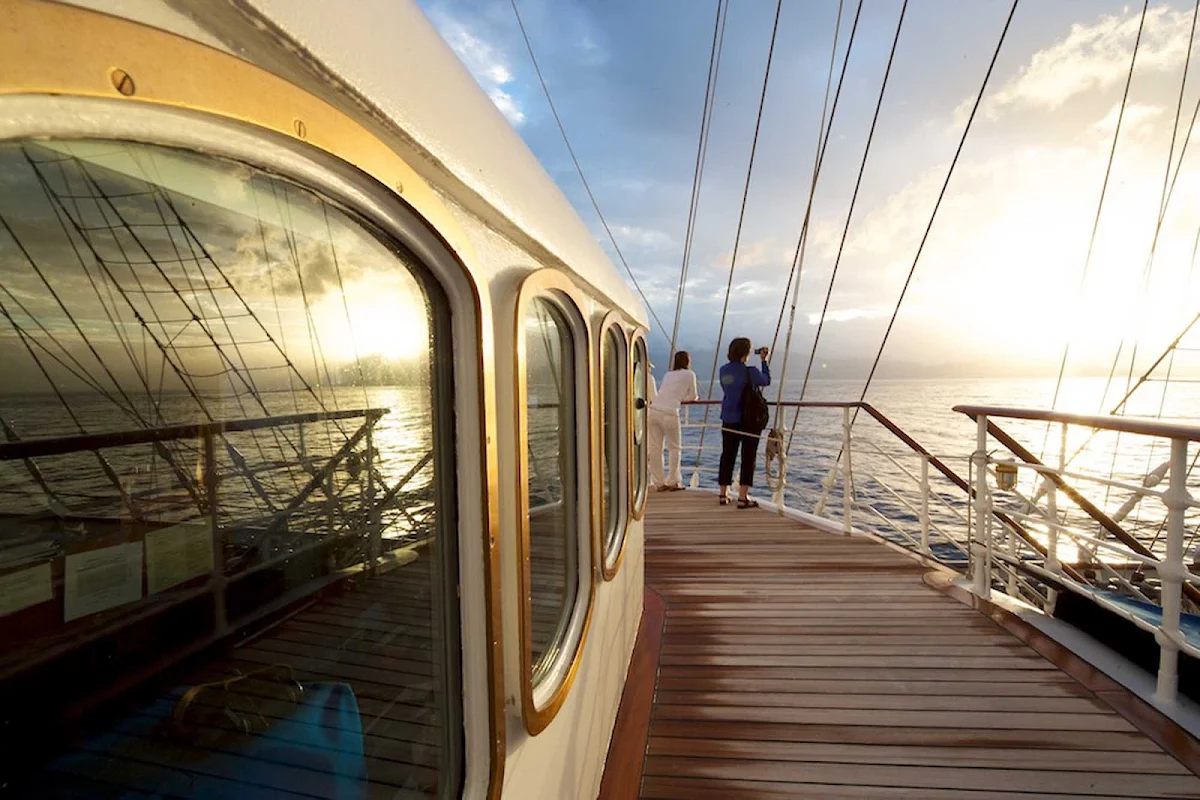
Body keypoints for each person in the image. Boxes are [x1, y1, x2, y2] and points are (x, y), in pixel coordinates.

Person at [717, 337, 770, 508]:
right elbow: (766, 381)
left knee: (727, 455)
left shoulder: (723, 370)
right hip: (748, 420)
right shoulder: (751, 371)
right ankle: (742, 497)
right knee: (748, 457)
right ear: (746, 353)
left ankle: (723, 494)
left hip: (728, 418)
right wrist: (764, 361)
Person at [648, 351, 698, 491]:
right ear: (688, 361)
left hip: (654, 410)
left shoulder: (668, 374)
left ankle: (658, 482)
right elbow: (693, 396)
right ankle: (673, 481)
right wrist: (685, 399)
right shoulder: (690, 374)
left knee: (655, 448)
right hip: (670, 412)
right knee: (674, 448)